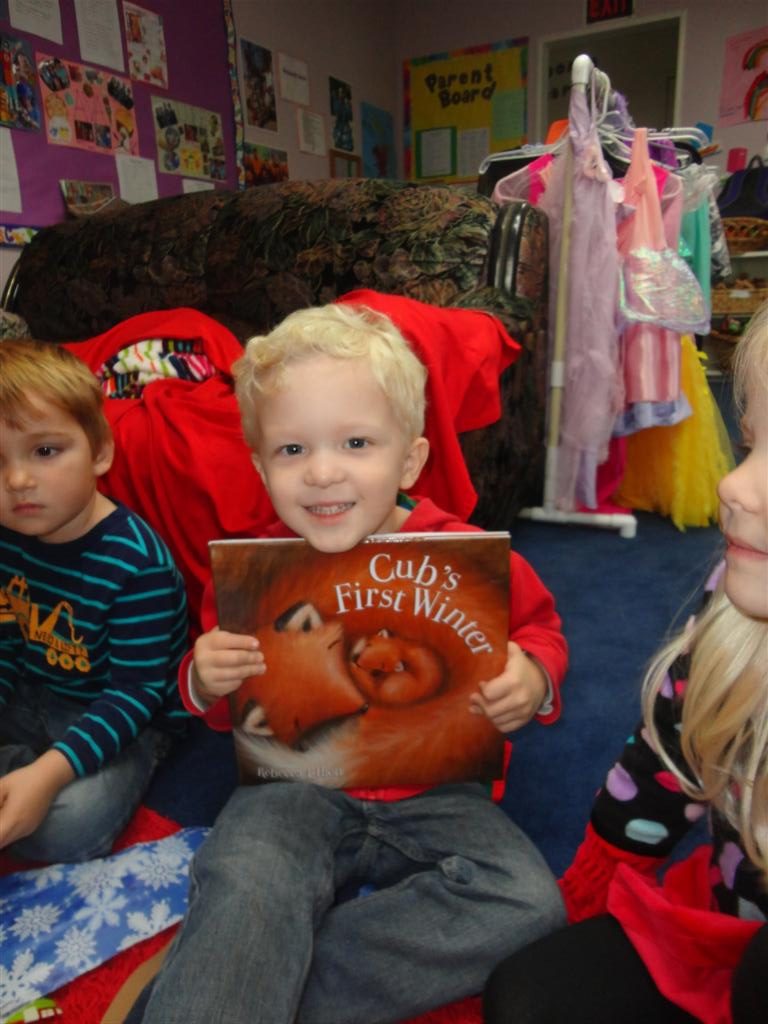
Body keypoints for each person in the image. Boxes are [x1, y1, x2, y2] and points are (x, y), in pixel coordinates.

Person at [128, 302, 568, 1024]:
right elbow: (226, 705)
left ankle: (260, 982)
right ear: (259, 466)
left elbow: (540, 629)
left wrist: (534, 676)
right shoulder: (254, 570)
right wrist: (203, 678)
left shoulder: (462, 554)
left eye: (357, 442)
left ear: (411, 459)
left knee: (526, 903)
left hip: (441, 788)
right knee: (243, 873)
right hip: (295, 784)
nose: (323, 472)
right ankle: (239, 974)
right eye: (291, 450)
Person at [484, 300, 768, 1024]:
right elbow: (665, 758)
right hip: (723, 924)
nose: (733, 484)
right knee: (524, 998)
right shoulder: (736, 595)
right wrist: (595, 882)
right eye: (750, 442)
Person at [0, 340, 189, 863]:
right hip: (36, 693)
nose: (17, 480)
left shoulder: (138, 565)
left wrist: (48, 774)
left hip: (125, 716)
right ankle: (24, 774)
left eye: (45, 451)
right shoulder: (7, 538)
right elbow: (7, 647)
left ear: (100, 452)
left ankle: (30, 776)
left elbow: (134, 695)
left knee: (70, 826)